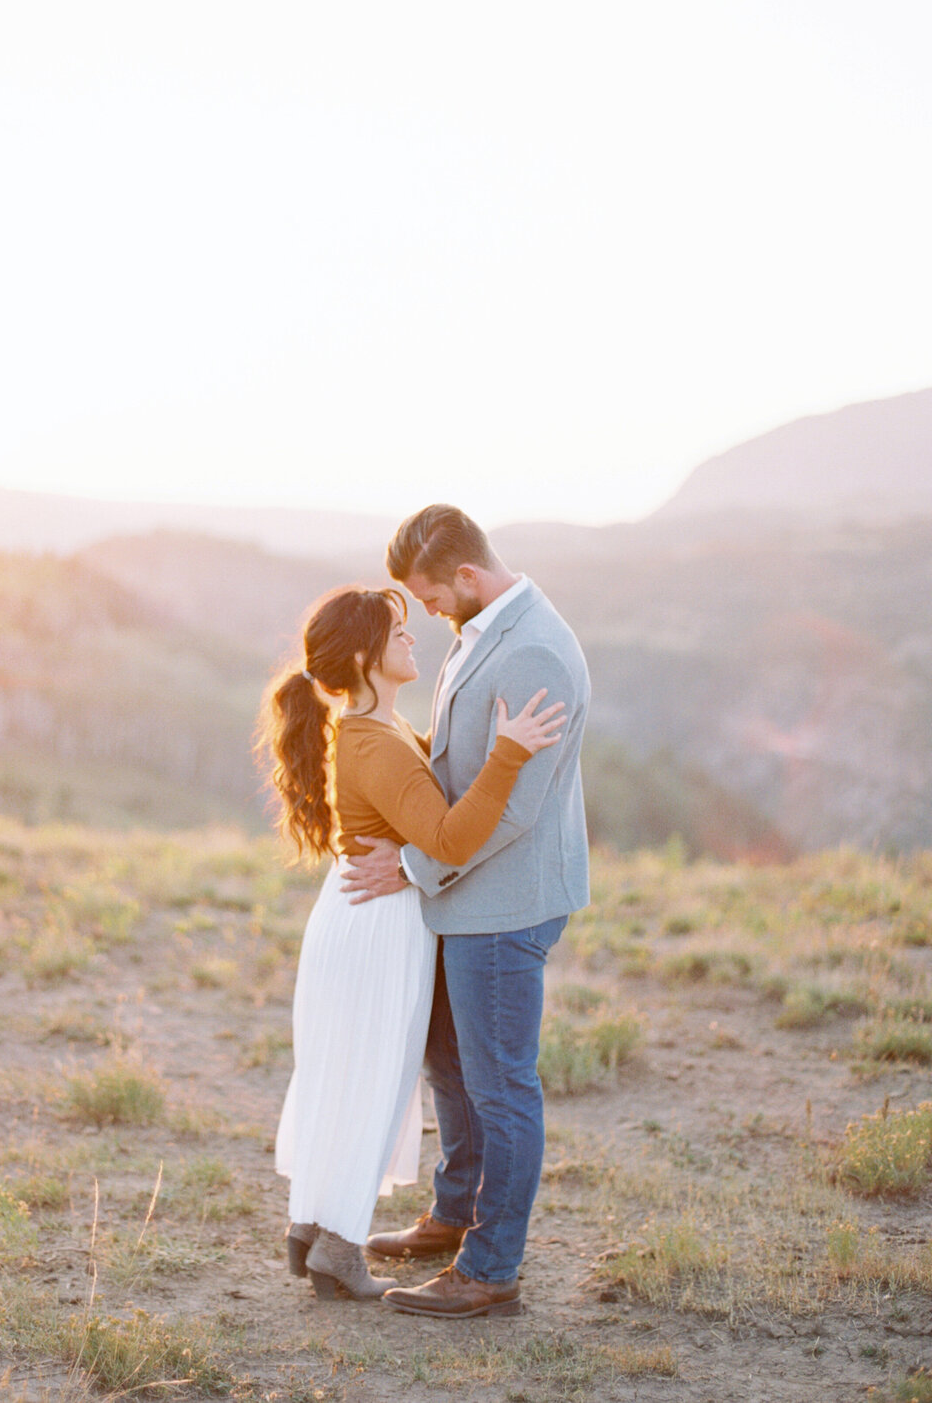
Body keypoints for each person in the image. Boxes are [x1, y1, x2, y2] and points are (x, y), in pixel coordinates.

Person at [258, 584, 566, 1301]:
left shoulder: (376, 730)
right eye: (398, 633)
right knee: (374, 1078)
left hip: (360, 917)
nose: (411, 640)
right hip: (376, 929)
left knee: (346, 1071)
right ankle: (337, 1244)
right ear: (366, 657)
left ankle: (312, 1227)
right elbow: (453, 838)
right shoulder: (376, 743)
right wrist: (510, 755)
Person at [342, 505, 590, 1319]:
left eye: (433, 598)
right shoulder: (486, 626)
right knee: (451, 1069)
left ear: (468, 577)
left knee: (500, 1088)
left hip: (500, 904)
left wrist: (413, 865)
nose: (431, 613)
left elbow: (513, 810)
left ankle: (490, 1269)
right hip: (467, 897)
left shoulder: (535, 652)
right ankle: (454, 1215)